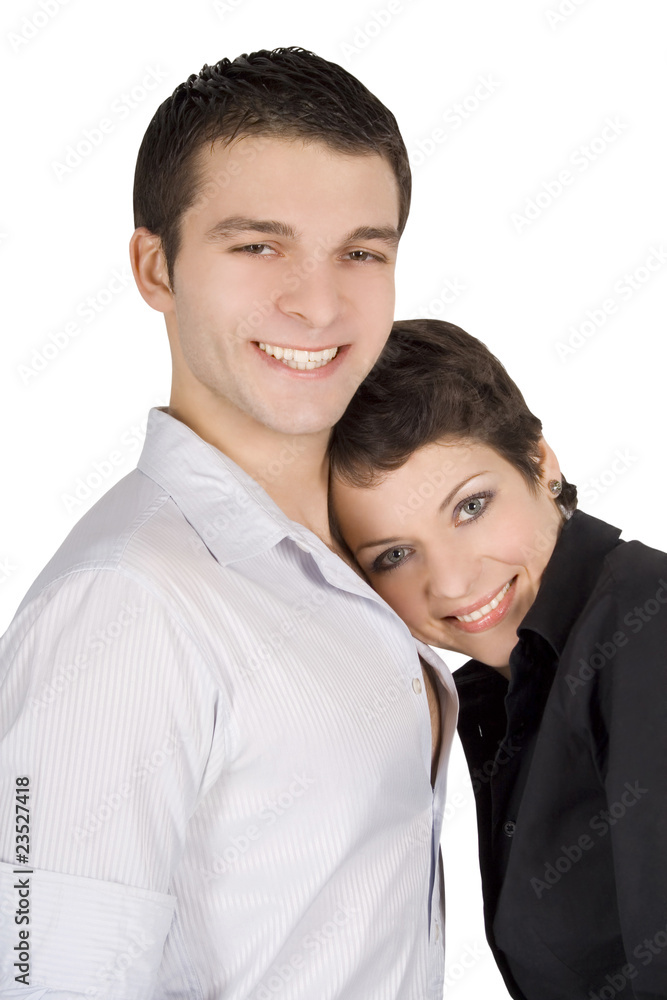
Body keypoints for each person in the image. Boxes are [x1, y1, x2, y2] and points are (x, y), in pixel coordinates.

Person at [0, 51, 458, 998]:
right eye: (258, 247)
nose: (318, 304)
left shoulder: (364, 556)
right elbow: (45, 978)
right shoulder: (125, 604)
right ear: (155, 268)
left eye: (361, 252)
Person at [329, 318, 667, 1000]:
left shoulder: (646, 632)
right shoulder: (501, 692)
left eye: (470, 507)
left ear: (541, 464)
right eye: (395, 554)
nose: (452, 583)